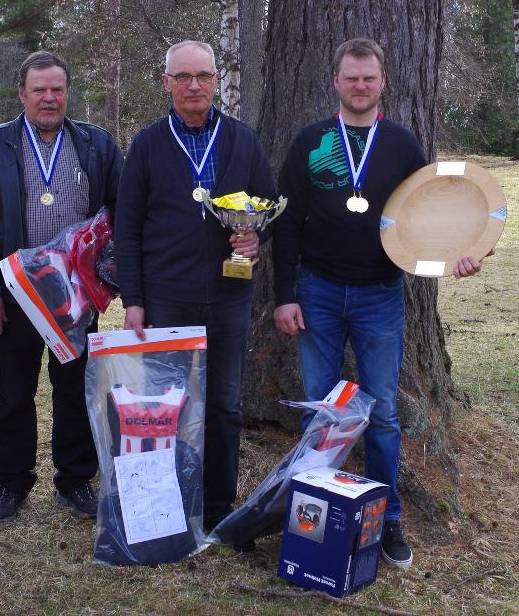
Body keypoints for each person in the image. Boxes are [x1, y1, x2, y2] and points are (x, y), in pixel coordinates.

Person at [272, 38, 488, 569]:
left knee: (384, 415)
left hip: (379, 296)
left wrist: (461, 252)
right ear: (337, 82)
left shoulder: (401, 144)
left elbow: (431, 213)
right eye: (351, 77)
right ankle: (316, 520)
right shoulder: (311, 142)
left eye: (369, 78)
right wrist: (284, 297)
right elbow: (287, 224)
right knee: (322, 414)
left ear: (383, 82)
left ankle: (386, 519)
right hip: (317, 292)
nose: (360, 85)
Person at [114, 40, 275, 548]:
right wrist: (133, 299)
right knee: (166, 404)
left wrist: (256, 236)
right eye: (182, 76)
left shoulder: (243, 142)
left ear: (216, 80)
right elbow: (128, 228)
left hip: (228, 296)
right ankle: (165, 504)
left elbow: (267, 210)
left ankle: (219, 508)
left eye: (203, 76)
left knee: (224, 406)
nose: (193, 86)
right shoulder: (146, 145)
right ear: (166, 82)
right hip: (165, 297)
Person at [0, 51, 123, 521]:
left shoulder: (96, 144)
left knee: (75, 389)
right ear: (21, 94)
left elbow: (121, 214)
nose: (49, 98)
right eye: (39, 90)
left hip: (74, 294)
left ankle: (75, 481)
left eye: (57, 89)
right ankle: (10, 483)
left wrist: (106, 279)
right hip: (14, 294)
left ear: (67, 92)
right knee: (14, 390)